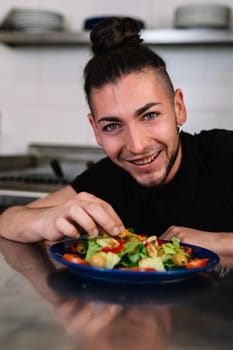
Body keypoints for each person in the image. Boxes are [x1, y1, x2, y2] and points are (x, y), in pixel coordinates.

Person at [0, 16, 233, 256]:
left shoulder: (224, 152)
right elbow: (7, 221)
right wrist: (45, 219)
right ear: (95, 130)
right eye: (112, 126)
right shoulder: (108, 178)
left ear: (178, 108)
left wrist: (219, 242)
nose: (137, 145)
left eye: (150, 115)